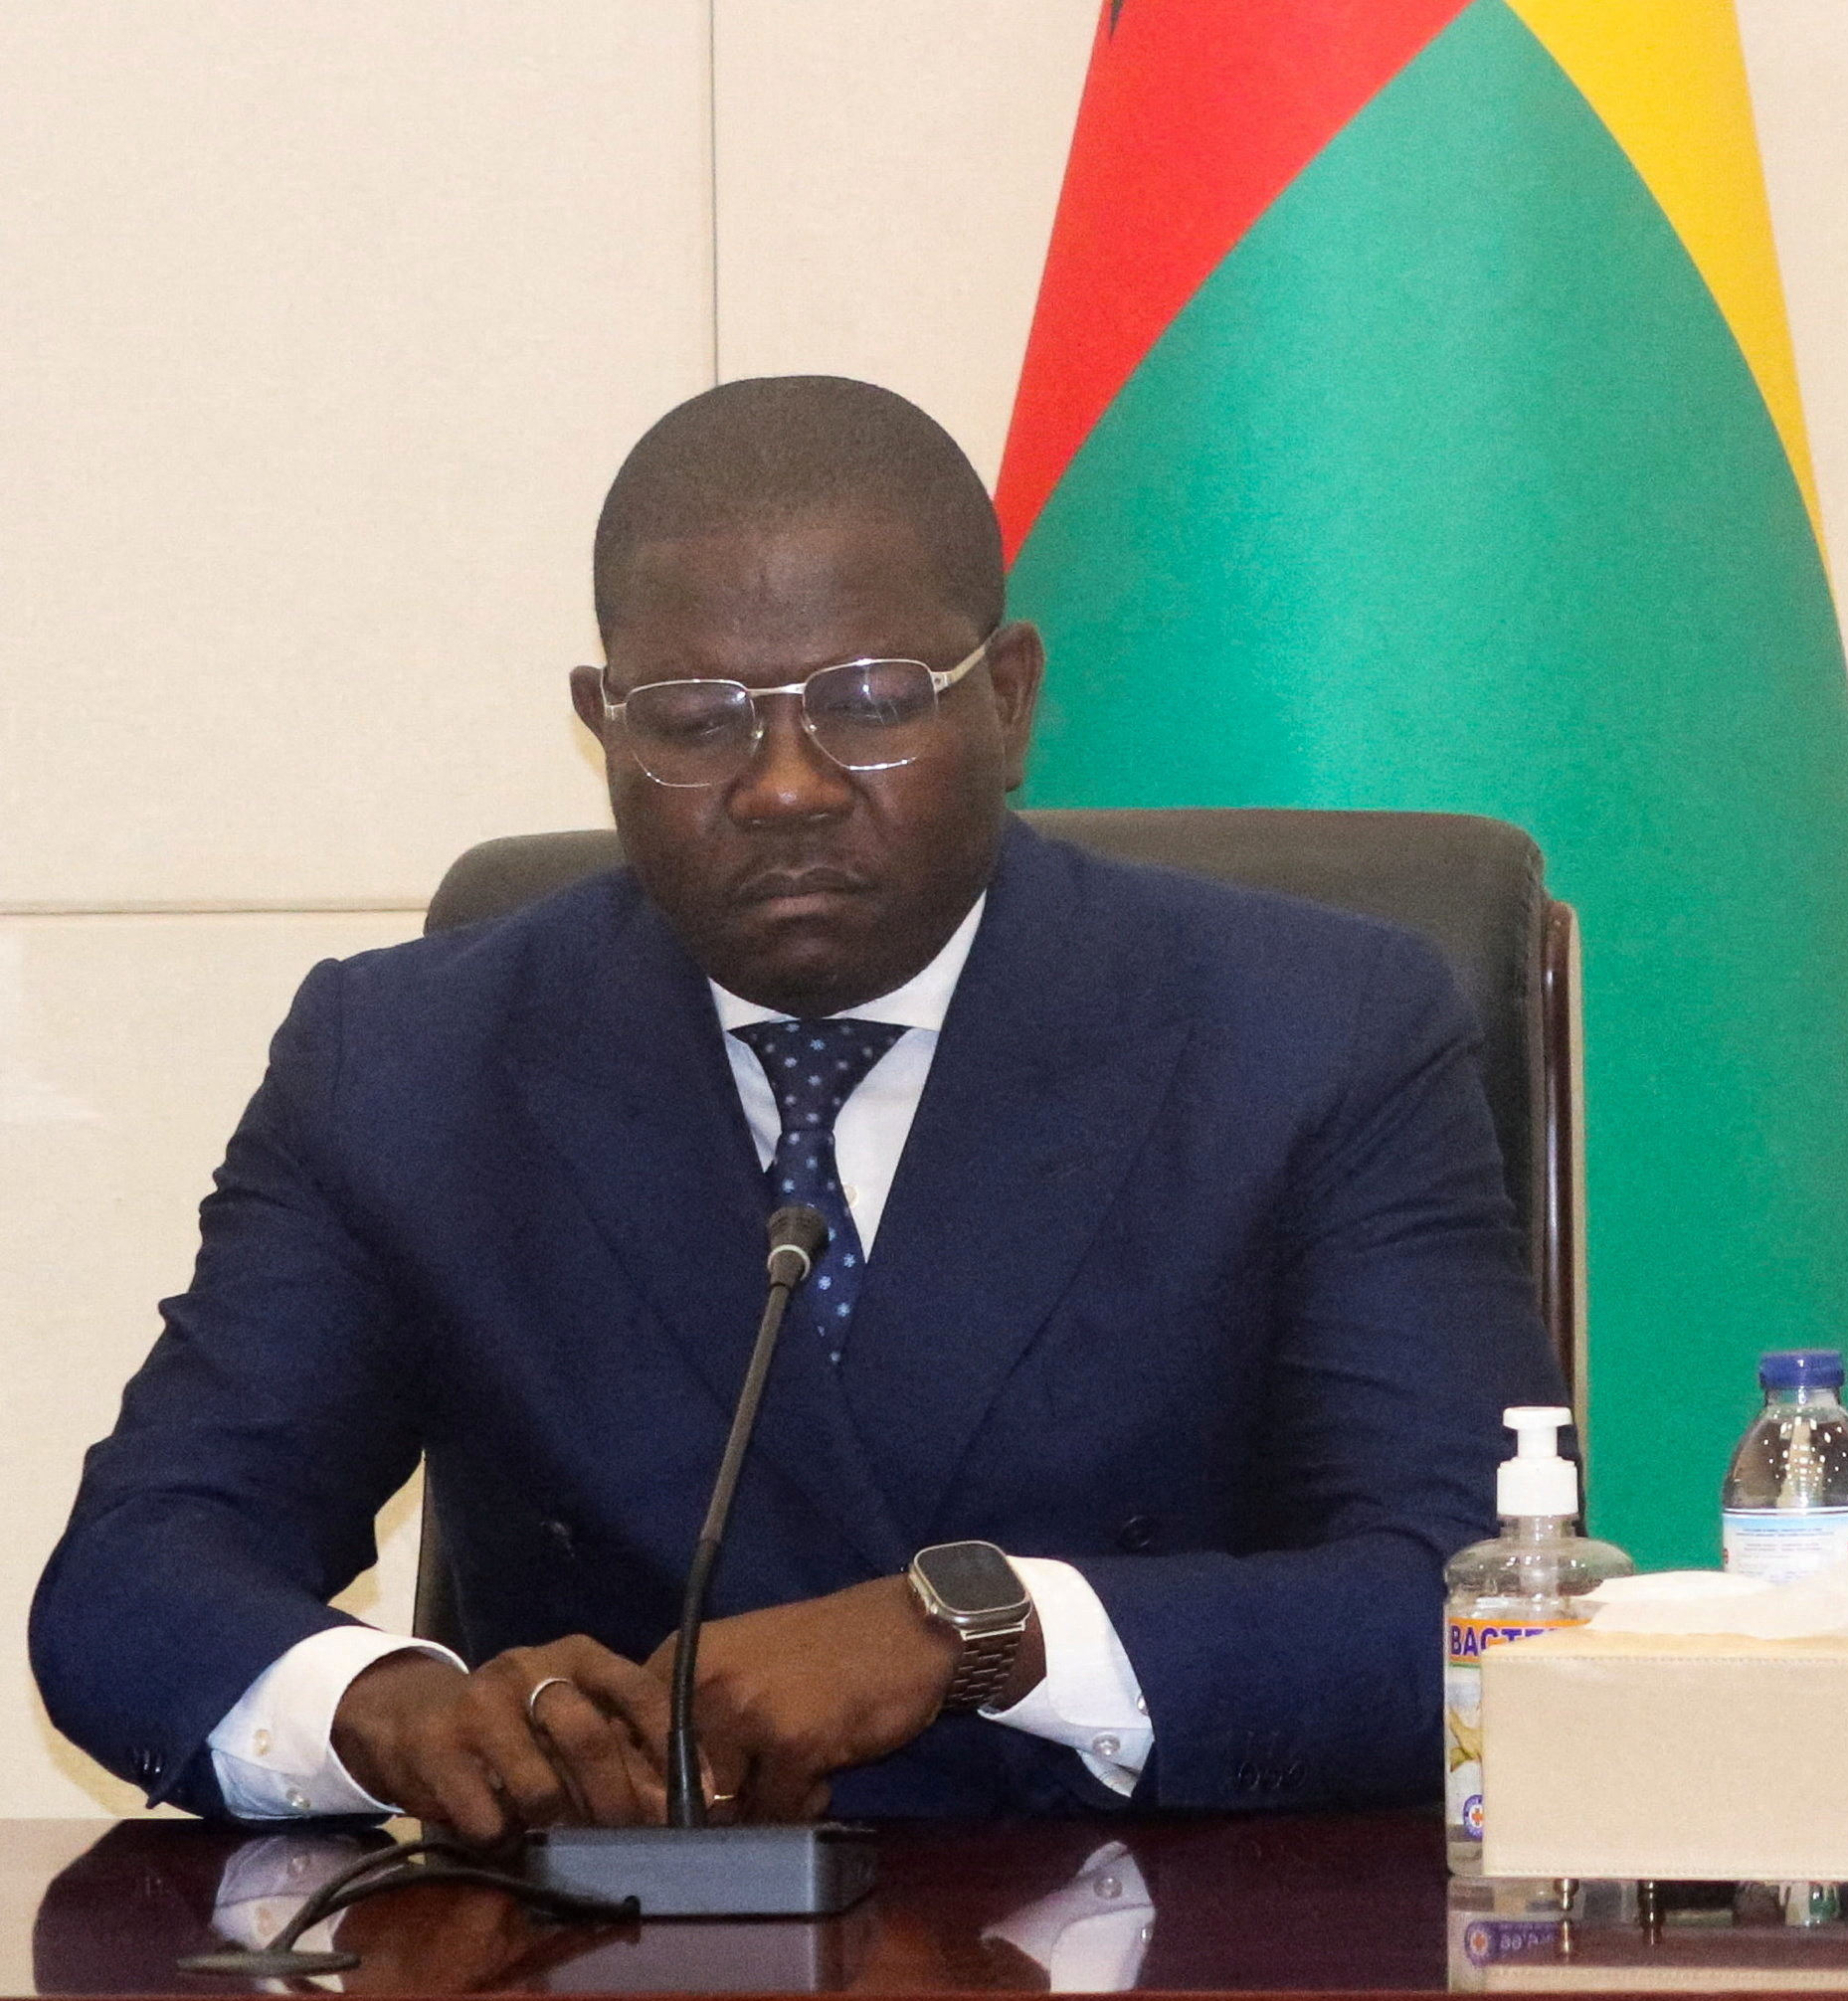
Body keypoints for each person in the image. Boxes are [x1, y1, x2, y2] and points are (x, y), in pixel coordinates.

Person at [30, 377, 1556, 1837]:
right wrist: (389, 1708)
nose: (783, 785)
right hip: (604, 1961)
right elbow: (133, 1574)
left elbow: (1475, 1606)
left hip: (1168, 1955)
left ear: (1010, 697)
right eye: (697, 718)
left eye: (869, 700)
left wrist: (980, 1630)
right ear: (604, 725)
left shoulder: (1310, 1031)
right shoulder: (410, 1059)